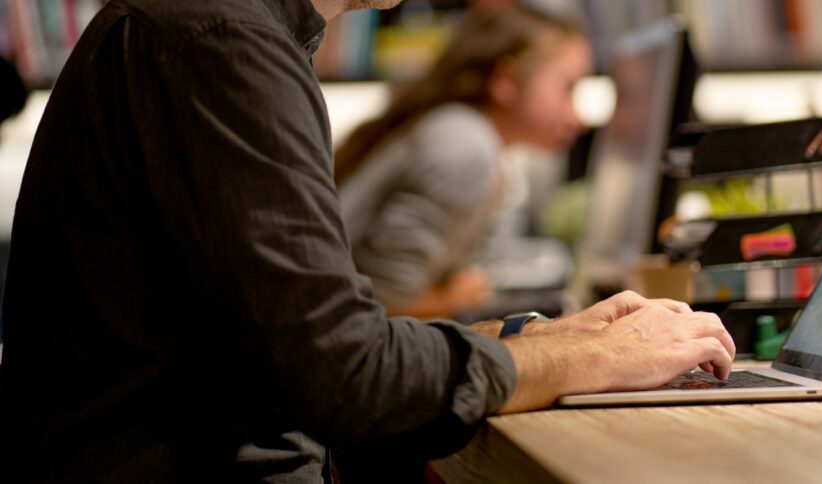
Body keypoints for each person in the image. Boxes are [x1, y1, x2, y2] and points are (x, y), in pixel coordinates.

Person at [0, 0, 735, 482]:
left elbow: (304, 343)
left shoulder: (229, 32)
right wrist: (578, 358)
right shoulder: (219, 39)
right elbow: (342, 376)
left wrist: (539, 341)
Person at [335, 4, 589, 318]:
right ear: (505, 81)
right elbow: (382, 305)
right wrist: (458, 296)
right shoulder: (466, 147)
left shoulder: (462, 133)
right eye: (568, 87)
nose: (579, 116)